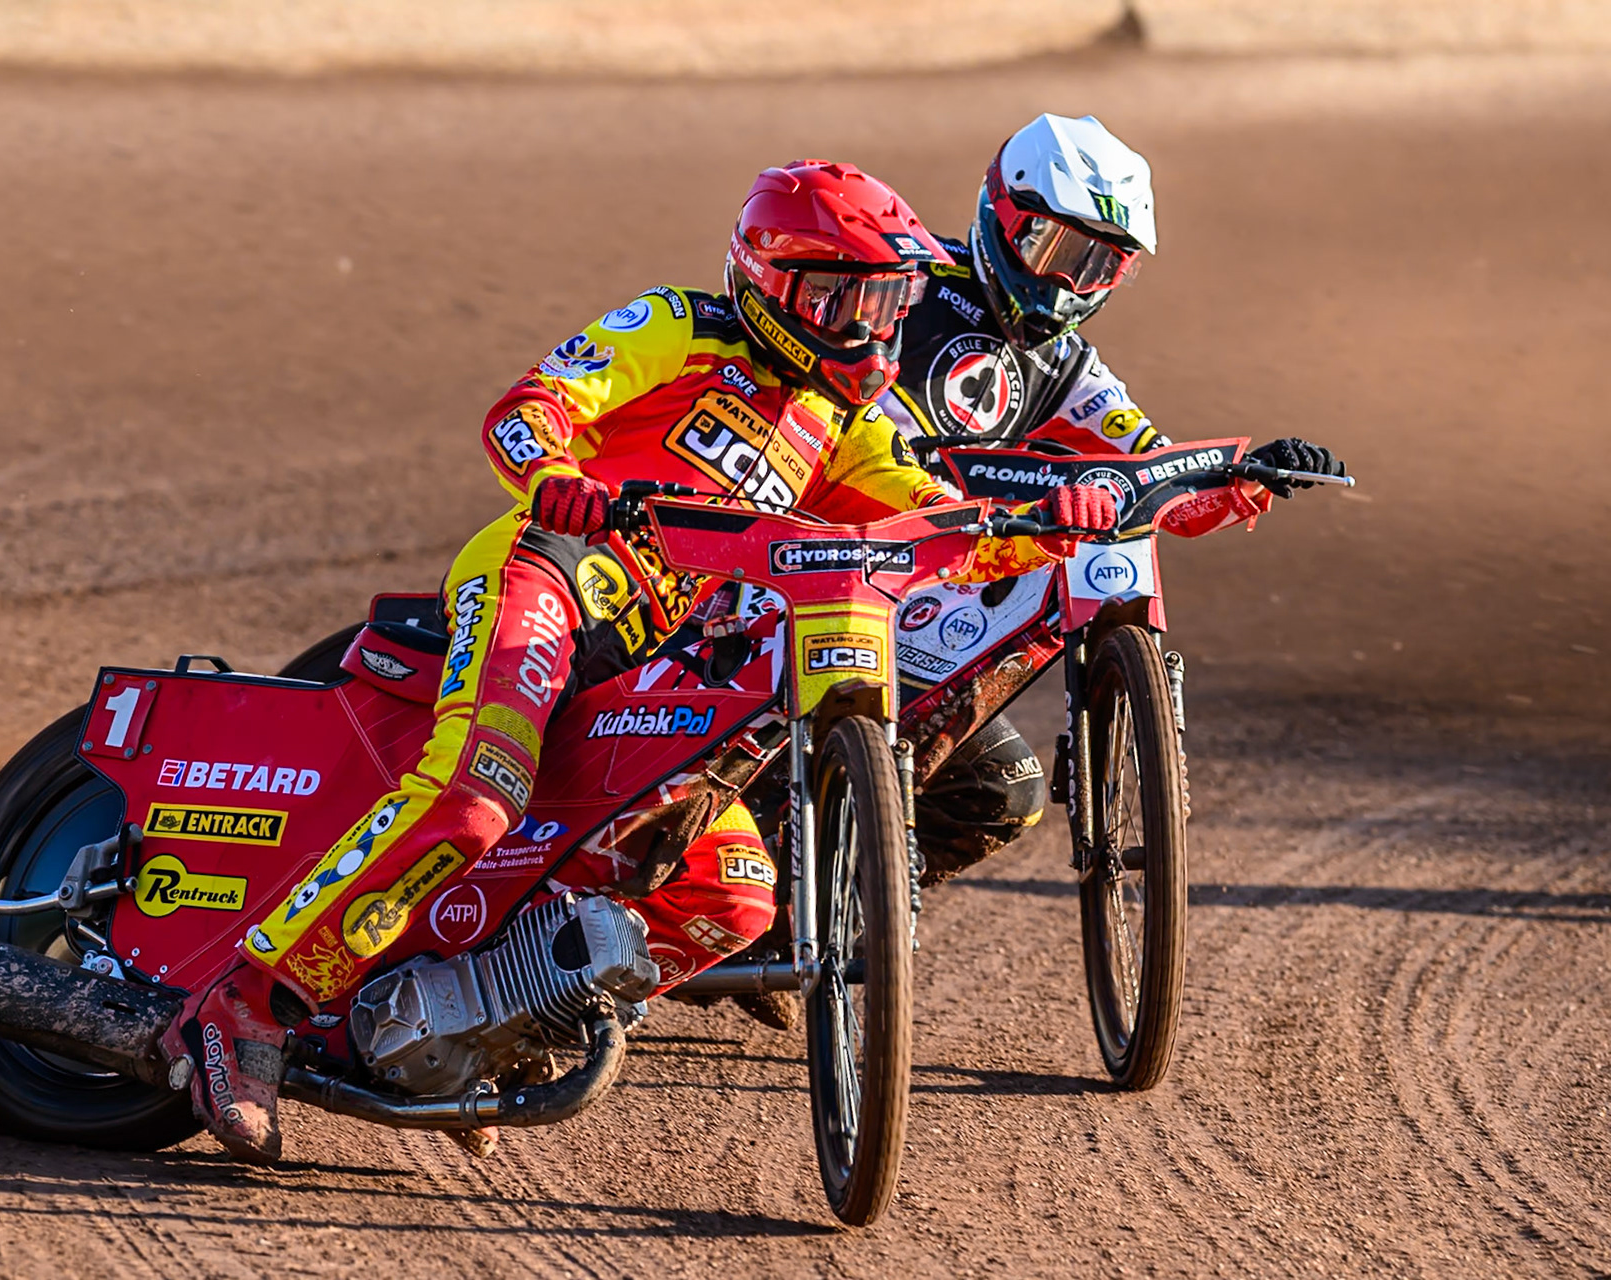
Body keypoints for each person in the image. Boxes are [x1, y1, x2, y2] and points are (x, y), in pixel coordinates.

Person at [160, 159, 1118, 1164]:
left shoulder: (845, 427)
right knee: (474, 801)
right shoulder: (681, 326)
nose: (871, 330)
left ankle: (491, 1022)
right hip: (551, 577)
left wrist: (1043, 524)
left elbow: (933, 523)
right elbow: (529, 408)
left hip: (660, 656)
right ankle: (244, 1005)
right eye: (845, 301)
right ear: (775, 282)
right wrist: (554, 474)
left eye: (888, 304)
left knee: (735, 895)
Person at [875, 113, 1347, 882]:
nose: (1068, 283)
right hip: (816, 579)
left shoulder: (1067, 366)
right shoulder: (899, 288)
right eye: (1056, 250)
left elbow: (1152, 468)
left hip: (937, 598)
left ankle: (835, 921)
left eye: (1098, 265)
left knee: (1002, 794)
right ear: (1003, 216)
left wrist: (1245, 475)